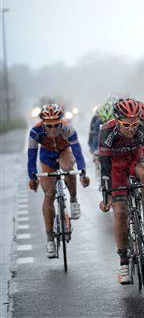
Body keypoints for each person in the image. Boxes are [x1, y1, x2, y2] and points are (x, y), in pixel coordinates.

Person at [98, 98, 144, 284]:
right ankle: (123, 263)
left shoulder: (142, 130)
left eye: (135, 124)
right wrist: (106, 195)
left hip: (134, 161)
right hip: (116, 167)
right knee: (120, 213)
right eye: (126, 125)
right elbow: (104, 168)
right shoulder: (106, 131)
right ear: (117, 120)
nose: (131, 129)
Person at [27, 104, 90, 258]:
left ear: (61, 122)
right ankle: (49, 239)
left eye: (56, 125)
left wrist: (82, 173)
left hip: (64, 152)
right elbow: (31, 157)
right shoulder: (35, 132)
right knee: (49, 194)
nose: (54, 129)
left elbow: (78, 153)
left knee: (68, 166)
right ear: (43, 124)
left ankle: (74, 199)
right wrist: (32, 177)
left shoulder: (68, 129)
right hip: (46, 158)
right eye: (49, 126)